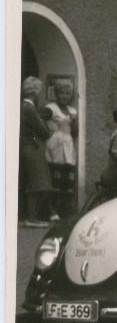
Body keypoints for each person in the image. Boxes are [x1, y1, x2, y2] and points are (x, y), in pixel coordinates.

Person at [19, 77, 54, 227]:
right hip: (32, 147)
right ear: (35, 91)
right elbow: (44, 131)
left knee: (36, 183)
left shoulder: (25, 107)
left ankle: (31, 216)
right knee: (37, 184)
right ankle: (32, 218)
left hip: (31, 146)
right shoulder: (29, 108)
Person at [44, 78, 78, 220]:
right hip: (55, 147)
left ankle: (63, 213)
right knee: (55, 180)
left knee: (68, 182)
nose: (65, 96)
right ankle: (52, 212)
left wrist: (74, 123)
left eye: (68, 93)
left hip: (68, 146)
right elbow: (37, 123)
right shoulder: (50, 108)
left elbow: (75, 131)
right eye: (62, 93)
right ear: (56, 94)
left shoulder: (73, 110)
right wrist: (49, 131)